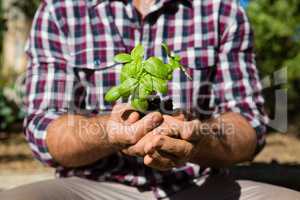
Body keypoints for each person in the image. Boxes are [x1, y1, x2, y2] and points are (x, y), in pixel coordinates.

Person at [1, 0, 300, 199]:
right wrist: (108, 132)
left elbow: (249, 126)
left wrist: (197, 137)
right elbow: (44, 128)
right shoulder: (60, 9)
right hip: (92, 187)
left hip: (198, 186)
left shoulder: (222, 9)